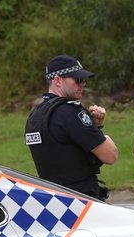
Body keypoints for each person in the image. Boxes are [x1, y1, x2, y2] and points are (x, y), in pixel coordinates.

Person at [25, 55, 118, 199]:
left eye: (84, 80)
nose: (83, 83)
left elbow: (63, 152)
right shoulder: (71, 112)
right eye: (78, 79)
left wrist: (95, 125)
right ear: (57, 80)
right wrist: (104, 137)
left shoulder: (35, 115)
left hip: (51, 201)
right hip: (81, 202)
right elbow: (110, 156)